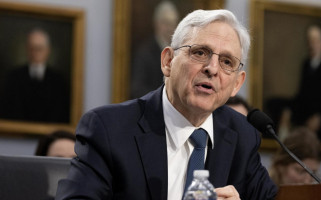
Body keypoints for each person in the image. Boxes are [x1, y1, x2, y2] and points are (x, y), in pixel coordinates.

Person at [56, 9, 277, 200]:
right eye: (200, 52)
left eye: (227, 62)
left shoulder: (242, 136)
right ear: (168, 61)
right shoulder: (108, 129)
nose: (212, 68)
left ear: (236, 84)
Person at [0, 28, 70, 123]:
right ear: (27, 50)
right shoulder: (14, 77)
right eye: (32, 48)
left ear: (47, 50)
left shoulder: (58, 80)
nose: (35, 53)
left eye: (39, 49)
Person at [130, 1, 179, 98]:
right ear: (157, 23)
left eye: (174, 23)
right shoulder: (144, 53)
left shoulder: (179, 51)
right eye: (167, 23)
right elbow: (137, 89)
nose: (171, 28)